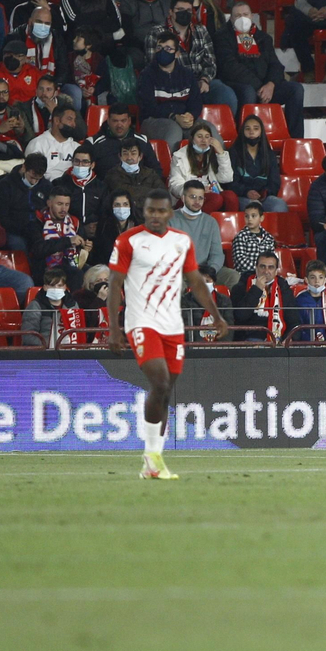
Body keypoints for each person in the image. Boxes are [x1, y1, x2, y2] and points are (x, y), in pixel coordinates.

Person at [109, 189, 229, 478]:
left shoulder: (181, 241)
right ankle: (151, 455)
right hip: (141, 322)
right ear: (145, 211)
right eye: (150, 211)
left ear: (169, 213)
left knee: (165, 393)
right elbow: (114, 284)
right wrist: (114, 328)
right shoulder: (129, 241)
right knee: (160, 382)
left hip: (172, 325)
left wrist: (216, 315)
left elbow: (196, 282)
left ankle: (153, 460)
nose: (155, 216)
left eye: (161, 211)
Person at [216, 3, 304, 138]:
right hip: (237, 85)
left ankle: (295, 140)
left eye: (245, 15)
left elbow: (276, 65)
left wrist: (270, 85)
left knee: (295, 89)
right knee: (248, 92)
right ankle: (245, 139)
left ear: (251, 16)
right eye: (237, 16)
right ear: (231, 19)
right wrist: (259, 87)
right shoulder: (222, 37)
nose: (242, 18)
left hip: (265, 88)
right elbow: (230, 68)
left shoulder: (263, 38)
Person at [168, 180, 239, 289]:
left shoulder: (210, 222)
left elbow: (217, 254)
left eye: (200, 198)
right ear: (183, 198)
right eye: (192, 197)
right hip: (180, 271)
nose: (197, 201)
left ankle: (222, 305)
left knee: (233, 277)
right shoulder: (170, 220)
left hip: (205, 271)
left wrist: (209, 273)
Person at [231, 250, 297, 342]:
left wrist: (289, 337)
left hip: (280, 338)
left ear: (276, 271)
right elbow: (240, 317)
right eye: (262, 267)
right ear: (256, 268)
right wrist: (256, 289)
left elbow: (293, 319)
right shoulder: (241, 287)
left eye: (270, 267)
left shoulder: (283, 288)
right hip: (250, 337)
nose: (266, 271)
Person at [294, 260, 326, 342]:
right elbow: (298, 328)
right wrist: (312, 342)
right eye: (312, 277)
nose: (317, 281)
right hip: (306, 347)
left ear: (325, 280)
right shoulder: (299, 301)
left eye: (320, 277)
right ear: (306, 280)